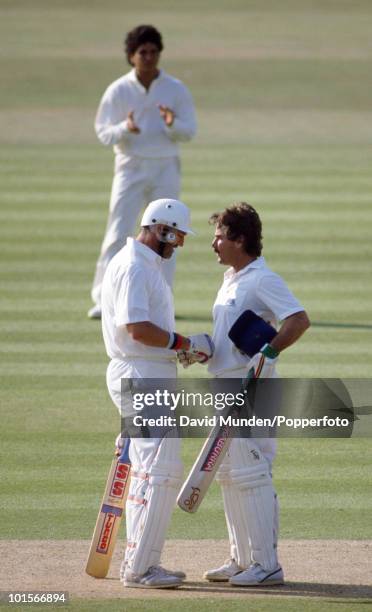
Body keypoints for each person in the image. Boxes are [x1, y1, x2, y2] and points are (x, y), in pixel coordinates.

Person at [179, 202, 310, 586]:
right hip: (225, 385)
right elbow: (229, 338)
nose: (214, 244)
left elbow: (298, 320)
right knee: (231, 474)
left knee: (253, 473)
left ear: (239, 239)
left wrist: (269, 352)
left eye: (219, 236)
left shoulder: (261, 278)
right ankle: (240, 559)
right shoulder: (232, 279)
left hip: (253, 387)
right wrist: (203, 349)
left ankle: (267, 564)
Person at [101, 198, 214, 589]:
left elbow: (148, 334)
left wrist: (178, 349)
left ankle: (139, 560)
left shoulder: (143, 264)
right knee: (159, 471)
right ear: (159, 228)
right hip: (141, 375)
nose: (179, 244)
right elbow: (137, 329)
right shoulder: (135, 266)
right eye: (177, 235)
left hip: (145, 372)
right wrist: (183, 341)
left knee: (149, 471)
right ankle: (140, 568)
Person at [88, 25, 197, 319]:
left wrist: (172, 123)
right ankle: (103, 297)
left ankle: (164, 299)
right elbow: (102, 132)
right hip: (130, 165)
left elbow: (190, 131)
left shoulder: (175, 88)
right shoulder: (118, 90)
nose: (148, 57)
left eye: (153, 52)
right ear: (131, 56)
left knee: (168, 235)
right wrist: (125, 128)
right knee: (118, 230)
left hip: (165, 166)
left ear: (159, 54)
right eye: (142, 52)